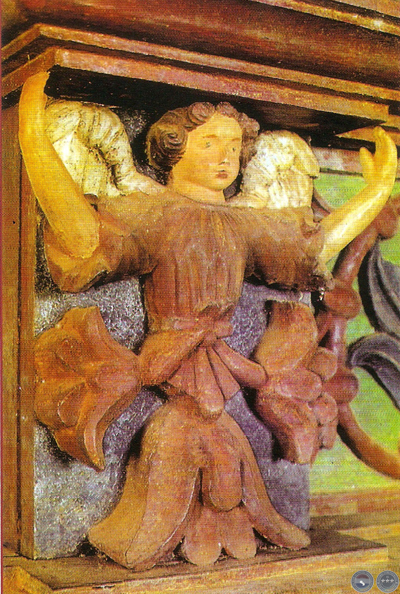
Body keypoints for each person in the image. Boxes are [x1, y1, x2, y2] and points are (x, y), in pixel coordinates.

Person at [19, 71, 397, 569]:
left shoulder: (247, 222)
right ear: (173, 148)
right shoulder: (153, 212)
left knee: (220, 447)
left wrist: (376, 192)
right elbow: (83, 235)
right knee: (188, 446)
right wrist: (33, 140)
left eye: (234, 146)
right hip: (170, 359)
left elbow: (314, 247)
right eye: (210, 143)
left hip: (217, 359)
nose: (226, 157)